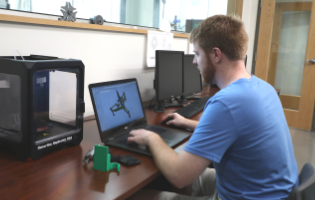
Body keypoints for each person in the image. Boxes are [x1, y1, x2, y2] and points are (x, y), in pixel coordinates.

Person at [128, 15, 298, 200]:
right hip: (269, 189)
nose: (194, 61)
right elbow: (237, 130)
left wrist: (152, 137)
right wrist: (186, 122)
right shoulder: (264, 87)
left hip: (252, 196)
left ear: (216, 55)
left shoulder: (226, 103)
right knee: (170, 179)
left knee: (141, 195)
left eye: (197, 54)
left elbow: (179, 176)